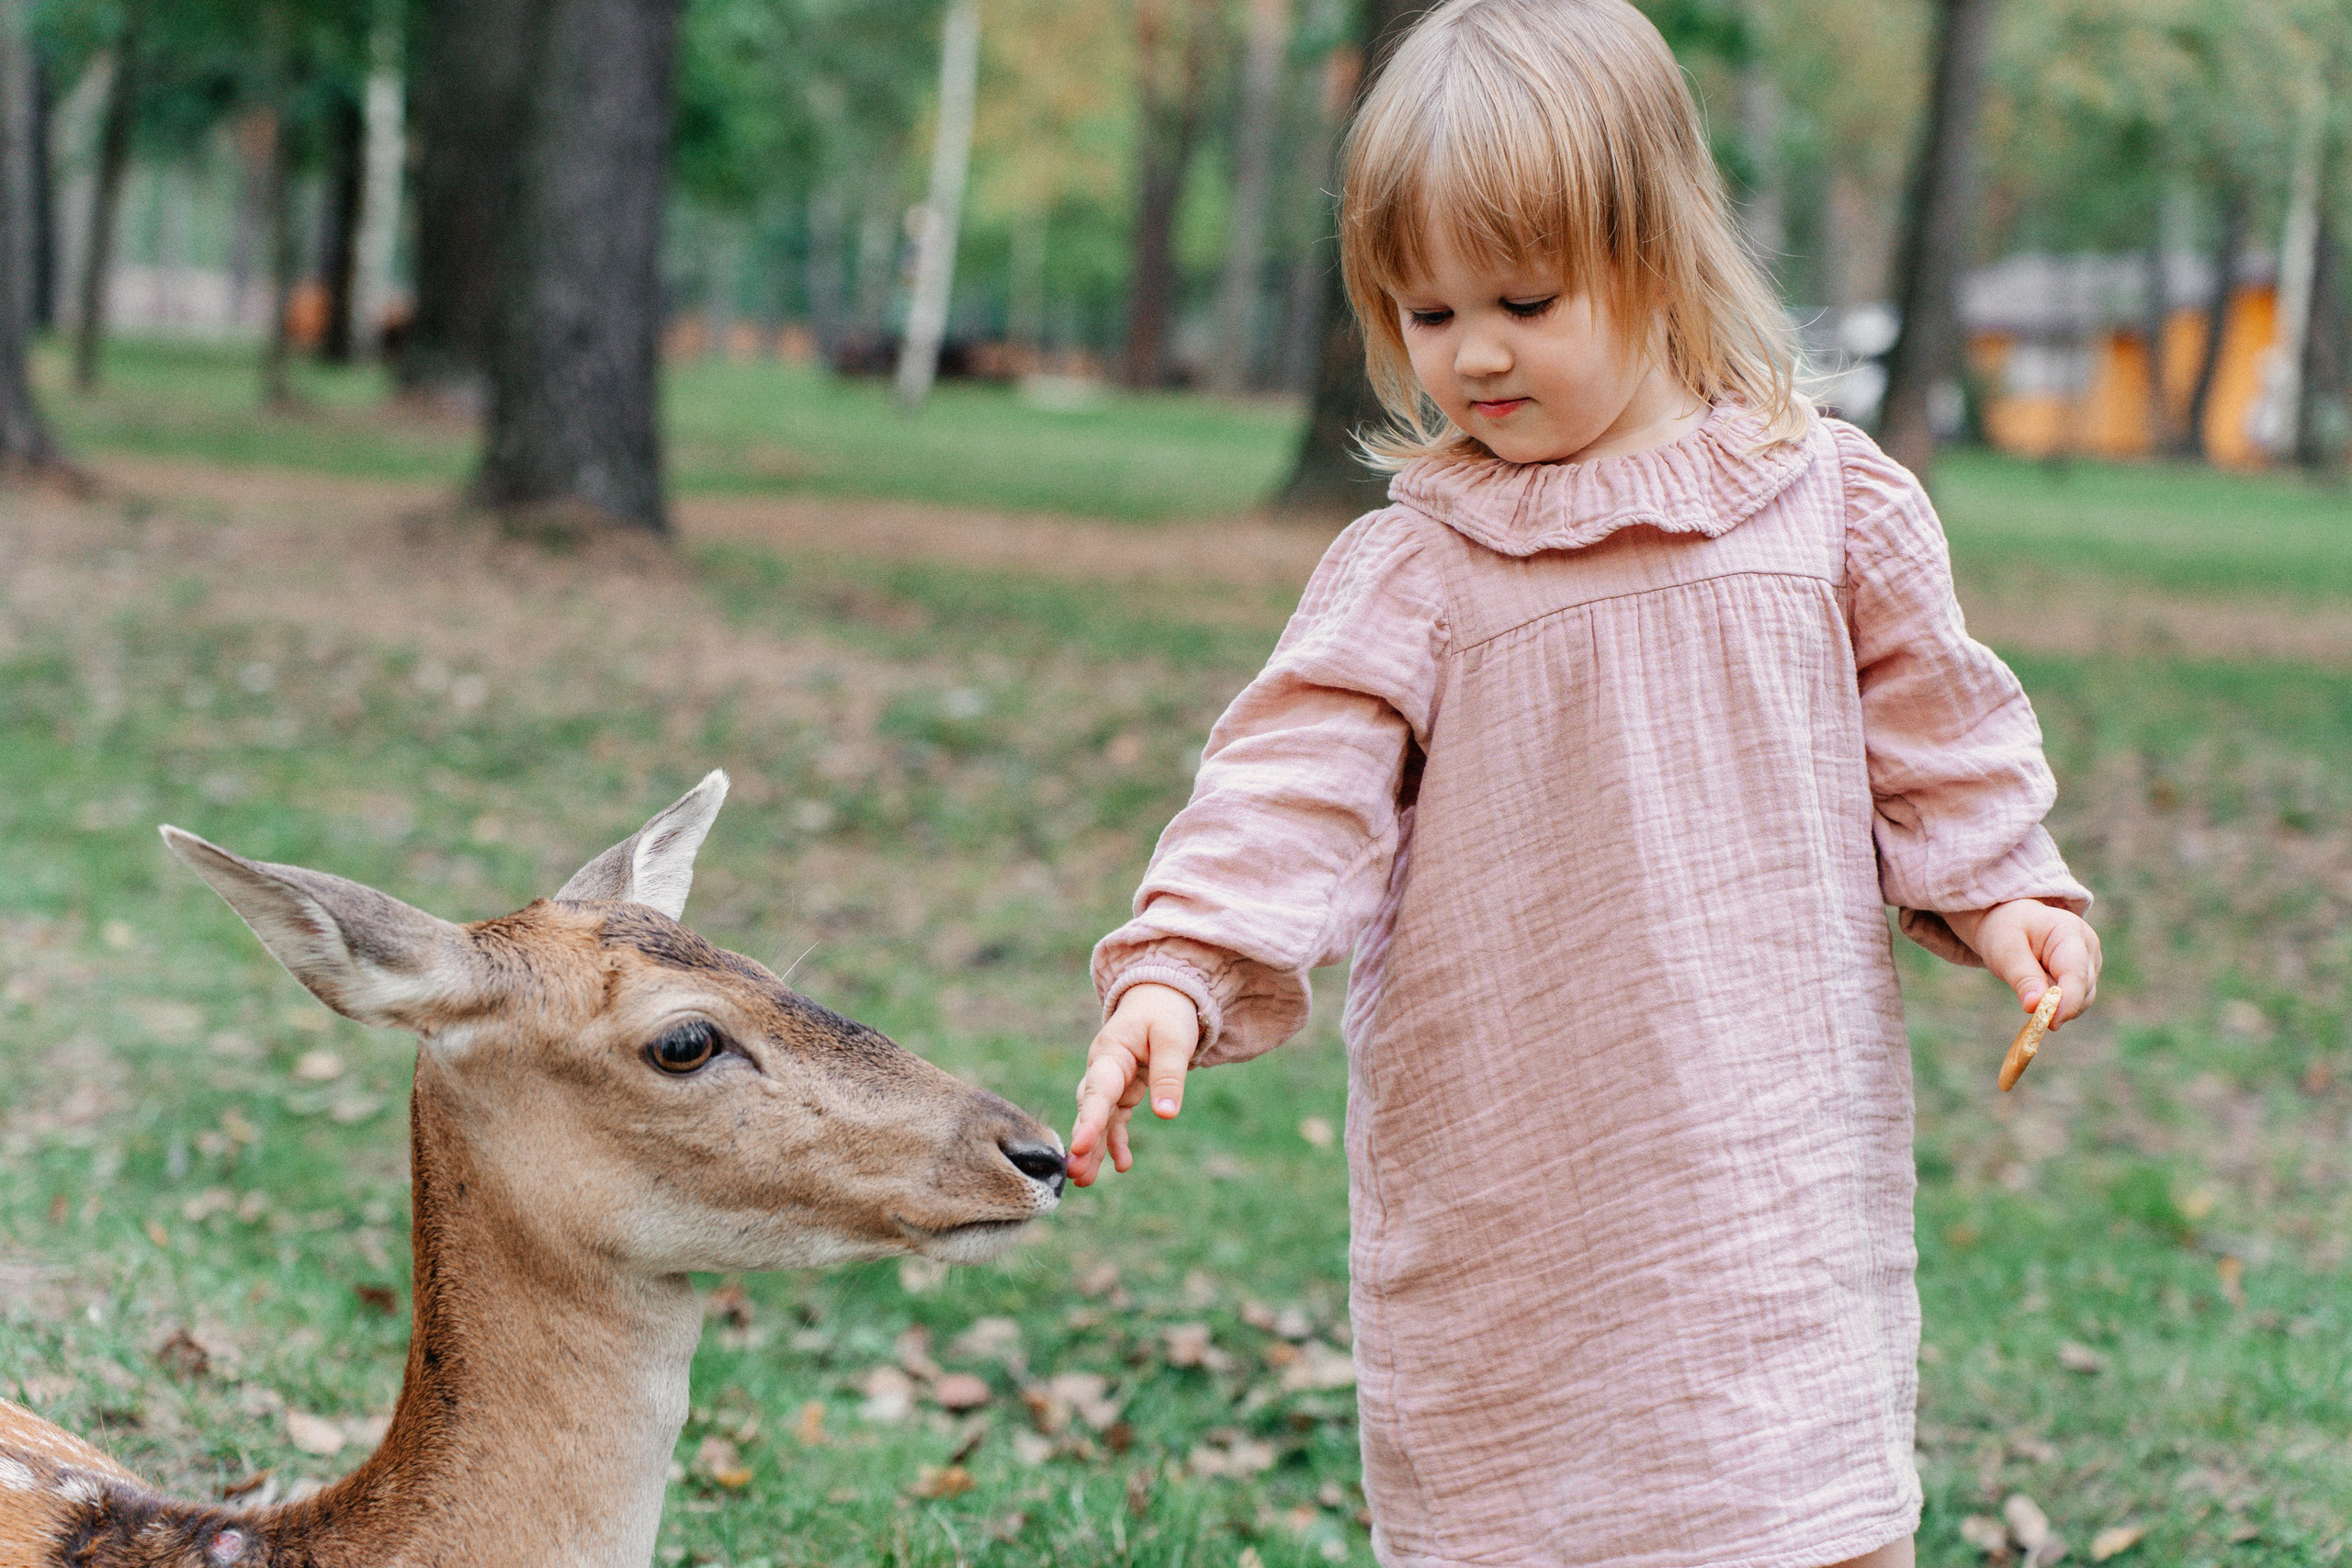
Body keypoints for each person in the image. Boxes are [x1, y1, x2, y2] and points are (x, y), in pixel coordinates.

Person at [1066, 2, 2103, 1564]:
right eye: (1426, 312)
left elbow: (1937, 733)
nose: (1473, 353)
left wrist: (2009, 889)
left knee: (1813, 1499)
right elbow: (1292, 783)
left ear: (1659, 253)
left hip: (1771, 1146)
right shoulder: (1422, 566)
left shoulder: (1827, 506)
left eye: (1525, 300)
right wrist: (1183, 964)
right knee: (1540, 1506)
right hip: (1527, 1169)